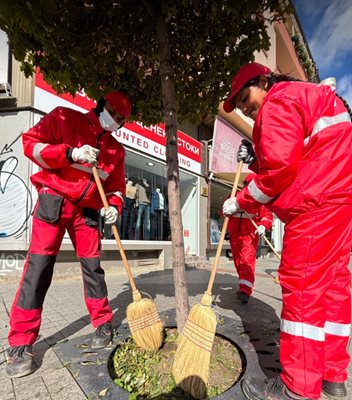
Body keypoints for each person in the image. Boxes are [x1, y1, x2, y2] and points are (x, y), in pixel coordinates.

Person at [222, 62, 352, 400]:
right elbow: (298, 149)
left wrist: (242, 200)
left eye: (244, 98)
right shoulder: (308, 96)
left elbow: (280, 169)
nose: (245, 109)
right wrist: (254, 156)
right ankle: (332, 375)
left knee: (303, 290)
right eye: (238, 107)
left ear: (264, 80)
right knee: (334, 289)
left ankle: (297, 387)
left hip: (314, 206)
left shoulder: (278, 100)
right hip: (339, 202)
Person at [6, 91, 132, 378]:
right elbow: (32, 146)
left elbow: (116, 189)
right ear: (101, 105)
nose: (117, 121)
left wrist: (113, 207)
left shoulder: (116, 151)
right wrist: (69, 153)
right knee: (38, 270)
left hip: (87, 210)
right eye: (114, 113)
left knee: (93, 269)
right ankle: (21, 343)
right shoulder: (65, 118)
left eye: (122, 119)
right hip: (55, 200)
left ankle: (103, 323)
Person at [227, 173, 273, 303]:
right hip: (235, 234)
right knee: (238, 261)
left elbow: (267, 216)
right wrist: (228, 209)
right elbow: (224, 210)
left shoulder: (260, 199)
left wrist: (263, 226)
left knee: (246, 260)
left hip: (250, 235)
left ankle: (245, 290)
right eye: (248, 185)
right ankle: (243, 283)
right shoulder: (234, 196)